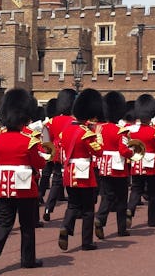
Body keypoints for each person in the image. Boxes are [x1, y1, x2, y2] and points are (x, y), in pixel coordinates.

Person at [0, 88, 46, 273]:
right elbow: (39, 163)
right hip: (25, 187)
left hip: (4, 187)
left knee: (3, 222)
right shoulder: (29, 141)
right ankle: (28, 260)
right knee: (26, 225)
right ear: (23, 117)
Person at [57, 88, 104, 252]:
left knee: (73, 204)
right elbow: (98, 151)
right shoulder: (86, 133)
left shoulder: (66, 131)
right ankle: (86, 242)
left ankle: (66, 226)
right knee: (88, 209)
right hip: (84, 173)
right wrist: (97, 135)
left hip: (69, 172)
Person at [94, 92, 133, 239]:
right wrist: (132, 153)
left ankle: (101, 218)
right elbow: (123, 150)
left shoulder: (100, 128)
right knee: (122, 199)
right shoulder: (120, 131)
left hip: (104, 166)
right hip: (118, 168)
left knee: (107, 196)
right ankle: (121, 229)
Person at [127, 94, 155, 227]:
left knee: (136, 189)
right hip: (151, 166)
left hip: (136, 163)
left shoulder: (131, 131)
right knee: (153, 193)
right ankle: (152, 220)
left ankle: (130, 209)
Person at [43, 89, 77, 221]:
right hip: (70, 154)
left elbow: (46, 141)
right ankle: (74, 209)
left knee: (56, 182)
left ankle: (48, 208)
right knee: (72, 182)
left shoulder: (50, 122)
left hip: (56, 155)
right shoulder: (74, 121)